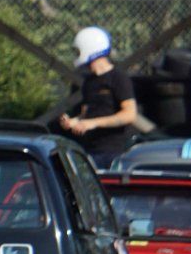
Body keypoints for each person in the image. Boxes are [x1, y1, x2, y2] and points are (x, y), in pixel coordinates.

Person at [57, 25, 138, 166]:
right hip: (91, 150)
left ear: (90, 48)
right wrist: (74, 122)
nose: (76, 55)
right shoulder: (89, 81)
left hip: (115, 152)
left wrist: (92, 123)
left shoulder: (118, 78)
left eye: (78, 51)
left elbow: (129, 114)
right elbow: (86, 114)